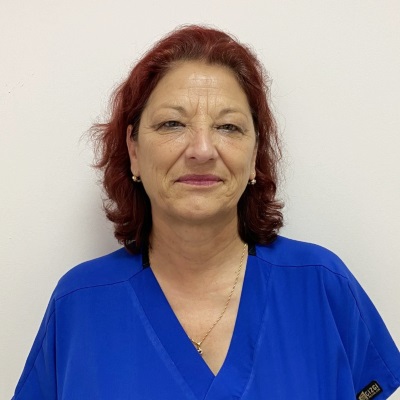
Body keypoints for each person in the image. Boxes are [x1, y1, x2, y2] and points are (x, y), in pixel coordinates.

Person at [13, 25, 400, 400]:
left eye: (228, 127)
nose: (201, 150)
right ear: (134, 150)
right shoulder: (79, 305)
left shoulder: (322, 287)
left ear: (254, 154)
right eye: (172, 124)